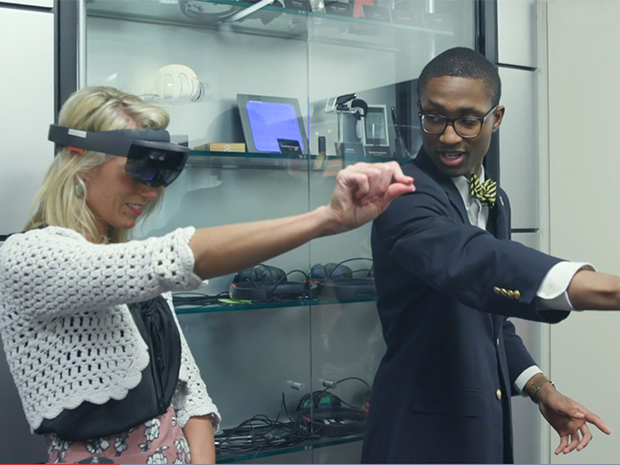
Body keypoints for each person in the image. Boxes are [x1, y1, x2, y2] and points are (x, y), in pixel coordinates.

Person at [0, 86, 414, 465]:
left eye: (160, 177)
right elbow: (177, 258)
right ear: (79, 159)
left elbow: (188, 392)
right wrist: (326, 219)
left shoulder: (129, 264)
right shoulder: (28, 258)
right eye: (137, 170)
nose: (150, 192)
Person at [362, 46, 620, 464]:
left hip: (481, 433)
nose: (448, 136)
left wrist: (541, 388)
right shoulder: (400, 191)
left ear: (496, 118)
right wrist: (607, 289)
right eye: (434, 117)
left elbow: (490, 320)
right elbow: (475, 262)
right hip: (419, 439)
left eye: (467, 120)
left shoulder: (495, 199)